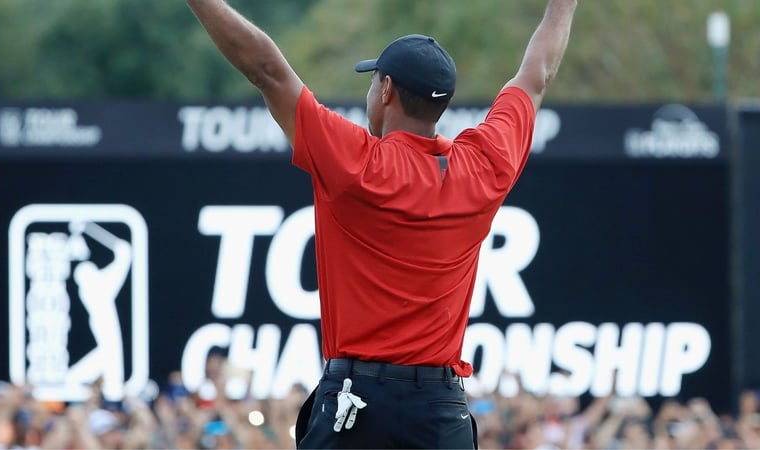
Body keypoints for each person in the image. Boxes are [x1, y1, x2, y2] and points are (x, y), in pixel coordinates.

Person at [186, 0, 576, 448]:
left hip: (359, 406)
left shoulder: (356, 164)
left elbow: (266, 69)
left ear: (386, 89)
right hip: (439, 410)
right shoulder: (484, 168)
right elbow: (537, 72)